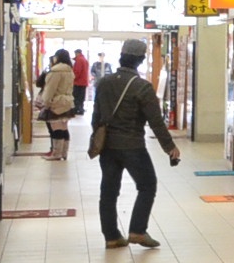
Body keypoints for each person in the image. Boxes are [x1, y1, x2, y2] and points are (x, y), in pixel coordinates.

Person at [93, 39, 181, 247]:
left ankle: (112, 236)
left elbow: (96, 117)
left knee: (108, 190)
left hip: (108, 147)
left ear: (121, 56)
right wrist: (170, 147)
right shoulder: (142, 87)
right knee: (147, 185)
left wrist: (97, 139)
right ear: (140, 60)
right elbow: (156, 121)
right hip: (132, 145)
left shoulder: (104, 83)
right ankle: (137, 231)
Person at [37, 51, 75, 160]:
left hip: (56, 103)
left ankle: (56, 154)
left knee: (56, 128)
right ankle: (64, 153)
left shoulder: (56, 71)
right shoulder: (70, 71)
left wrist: (46, 103)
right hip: (67, 102)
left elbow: (50, 90)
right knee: (64, 127)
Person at [70, 48, 88, 115]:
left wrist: (72, 78)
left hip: (78, 82)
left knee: (76, 96)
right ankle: (81, 109)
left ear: (77, 53)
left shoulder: (79, 60)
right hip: (84, 82)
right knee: (81, 97)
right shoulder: (85, 60)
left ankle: (76, 109)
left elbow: (77, 71)